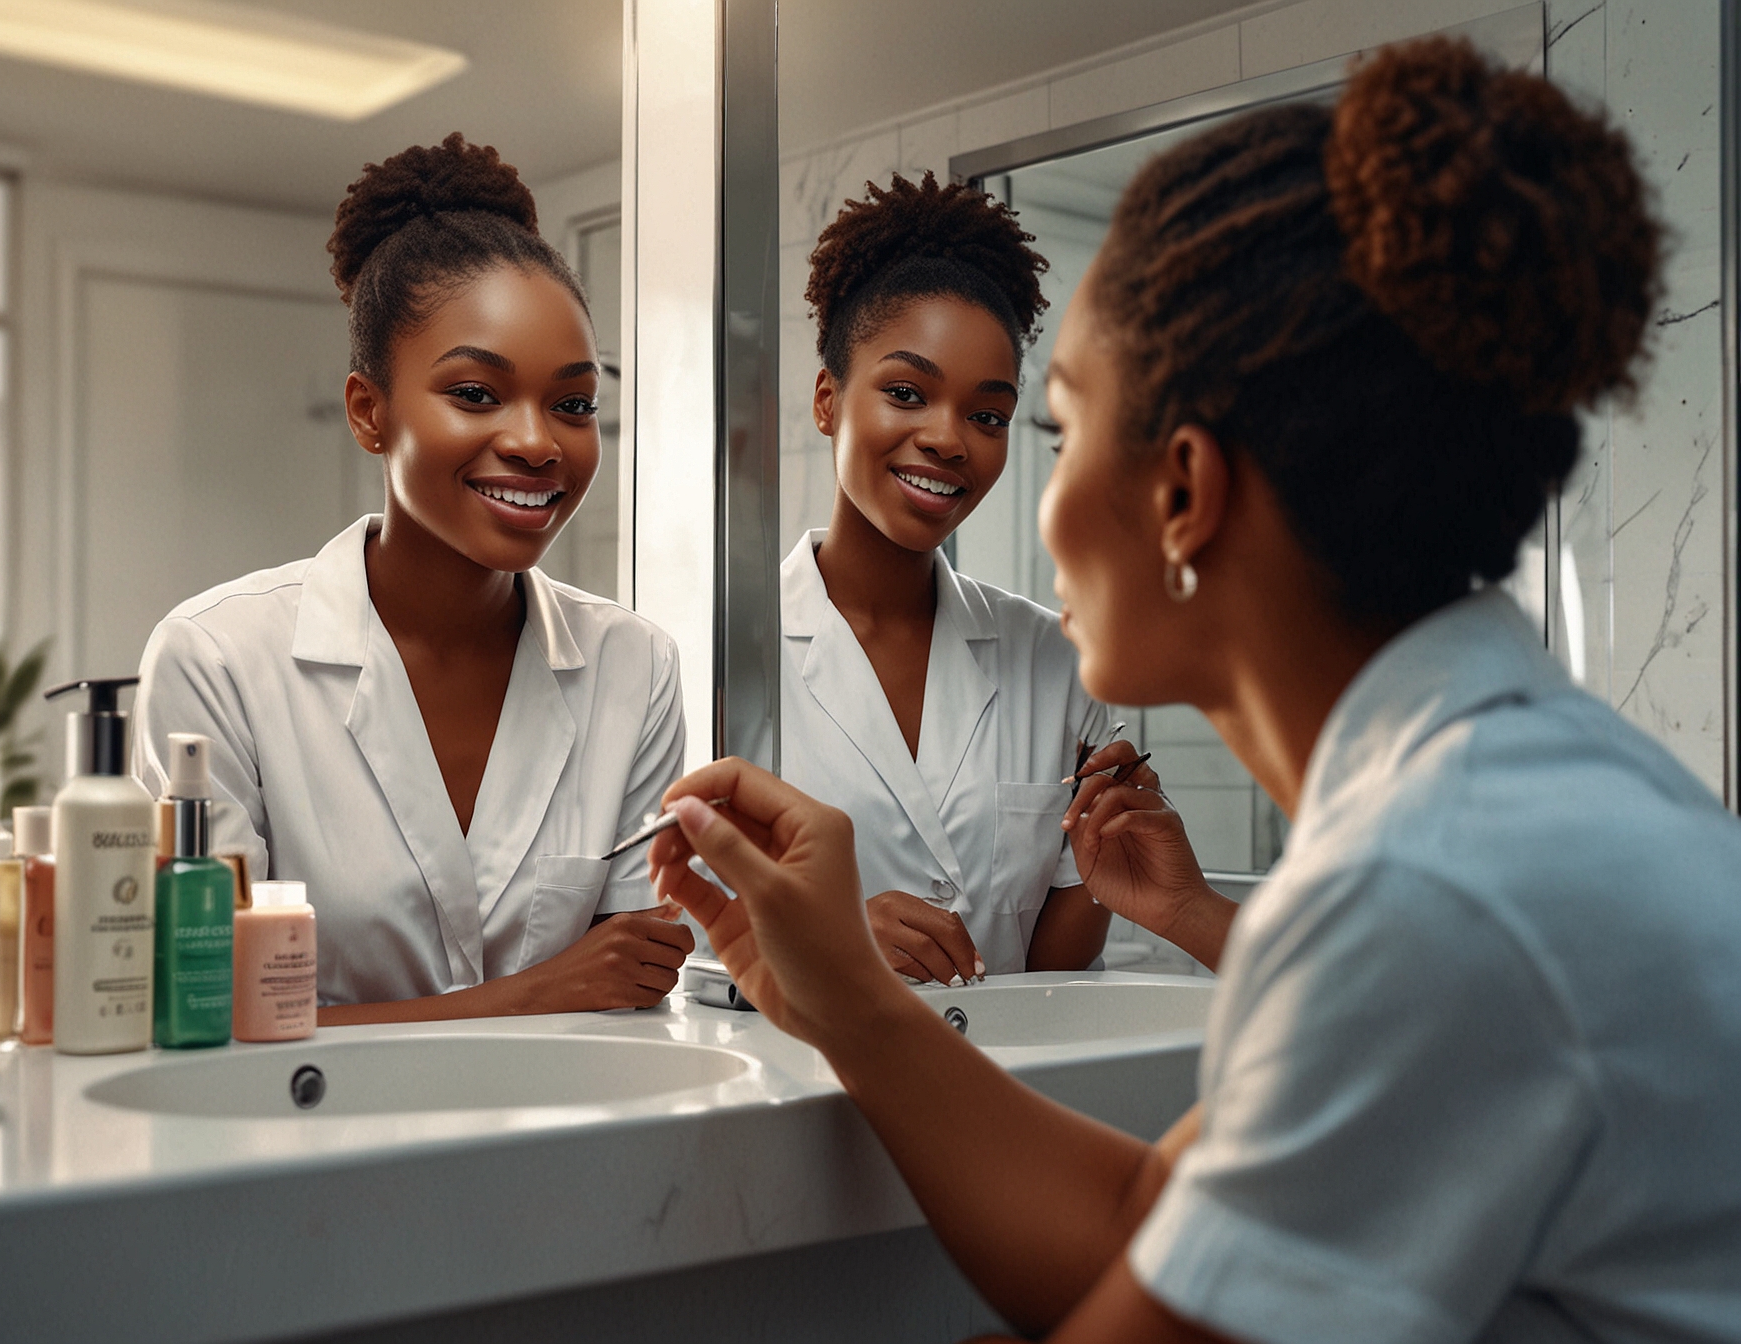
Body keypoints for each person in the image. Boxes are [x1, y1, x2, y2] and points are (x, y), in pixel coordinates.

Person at [648, 37, 1741, 1343]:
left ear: (1181, 492)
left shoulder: (1431, 892)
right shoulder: (1491, 805)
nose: (1018, 492)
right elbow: (1141, 1231)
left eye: (1046, 424)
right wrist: (853, 1003)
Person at [134, 135, 693, 1022]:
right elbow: (205, 1020)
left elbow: (631, 990)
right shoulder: (218, 661)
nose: (537, 441)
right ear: (369, 411)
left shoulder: (637, 667)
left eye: (573, 403)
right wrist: (529, 995)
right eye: (476, 394)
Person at [784, 171, 1208, 983]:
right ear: (828, 400)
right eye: (907, 393)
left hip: (1005, 1094)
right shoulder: (726, 657)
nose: (949, 440)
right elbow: (673, 952)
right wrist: (825, 946)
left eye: (988, 415)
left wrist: (1097, 867)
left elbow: (1050, 973)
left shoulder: (1054, 660)